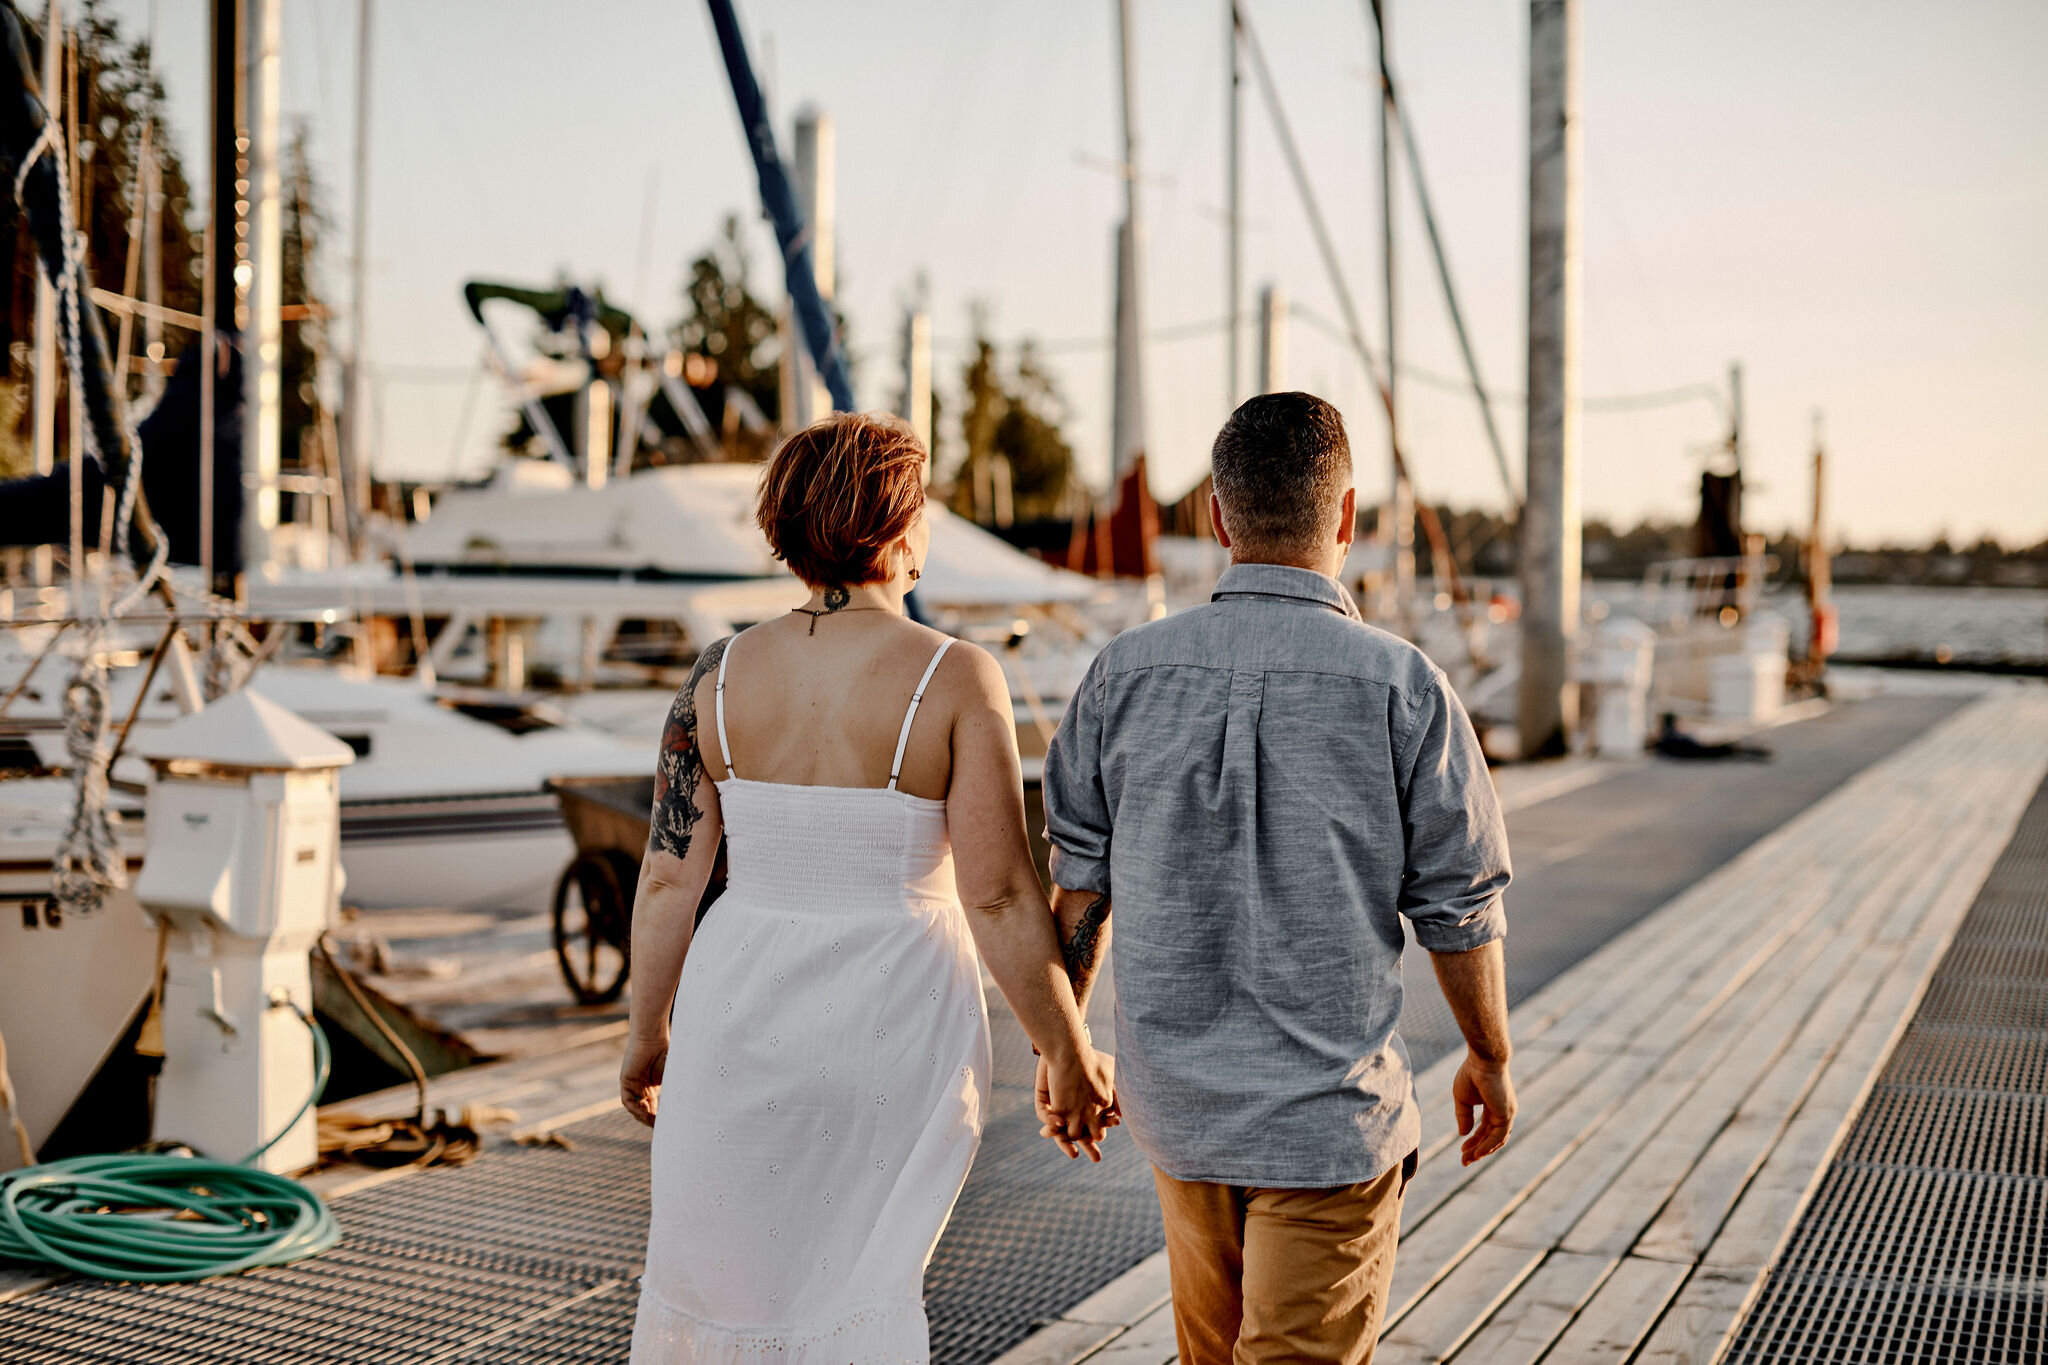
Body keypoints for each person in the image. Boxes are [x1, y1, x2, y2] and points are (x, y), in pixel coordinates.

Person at [621, 413, 1116, 1362]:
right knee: (863, 1286)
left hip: (737, 1006)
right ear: (896, 527)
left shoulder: (714, 677)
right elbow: (1002, 896)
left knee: (725, 1287)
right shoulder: (958, 677)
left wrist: (648, 1036)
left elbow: (667, 877)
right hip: (895, 1010)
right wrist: (1065, 1049)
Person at [1038, 392, 1516, 1363]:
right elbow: (1458, 906)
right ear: (1344, 518)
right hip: (1324, 1124)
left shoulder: (1119, 675)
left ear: (1216, 517)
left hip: (1178, 1112)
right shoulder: (1402, 685)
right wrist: (1488, 1057)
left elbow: (1077, 888)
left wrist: (1064, 1049)